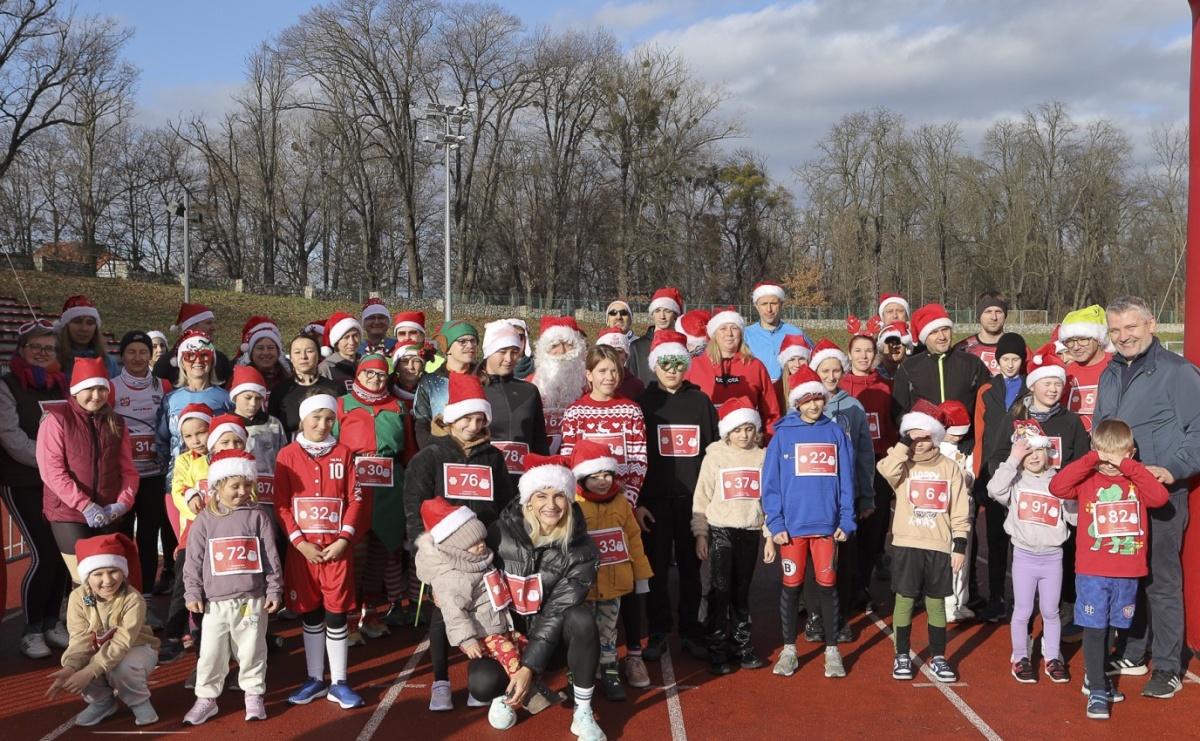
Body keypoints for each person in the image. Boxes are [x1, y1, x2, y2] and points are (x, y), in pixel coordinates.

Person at [1093, 296, 1200, 698]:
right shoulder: (1110, 372)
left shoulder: (1178, 372)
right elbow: (1101, 428)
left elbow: (1199, 430)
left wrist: (1171, 468)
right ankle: (1134, 651)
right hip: (1117, 498)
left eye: (1131, 328)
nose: (1124, 337)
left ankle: (1169, 666)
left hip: (1161, 496)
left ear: (1151, 324)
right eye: (1116, 330)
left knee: (1161, 581)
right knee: (1127, 577)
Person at [467, 454, 606, 741]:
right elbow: (470, 574)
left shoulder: (582, 550)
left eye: (559, 496)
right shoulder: (498, 532)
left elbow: (557, 612)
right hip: (506, 636)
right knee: (481, 685)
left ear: (569, 500)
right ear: (528, 499)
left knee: (581, 620)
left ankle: (582, 711)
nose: (550, 505)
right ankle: (506, 690)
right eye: (541, 495)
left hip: (552, 640)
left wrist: (528, 667)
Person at [402, 373, 514, 711]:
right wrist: (429, 563)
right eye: (466, 417)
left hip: (485, 553)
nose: (473, 425)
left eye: (480, 418)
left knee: (486, 611)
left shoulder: (493, 457)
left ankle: (482, 677)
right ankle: (440, 681)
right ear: (451, 418)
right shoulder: (429, 457)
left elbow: (505, 506)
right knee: (443, 615)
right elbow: (414, 511)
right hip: (446, 555)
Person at [1049, 419, 1170, 718]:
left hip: (1127, 571)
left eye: (1117, 457)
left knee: (1113, 628)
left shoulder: (1135, 480)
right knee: (1094, 628)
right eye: (1105, 456)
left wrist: (1130, 467)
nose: (1110, 465)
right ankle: (1098, 691)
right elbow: (1057, 486)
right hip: (1093, 570)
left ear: (1130, 452)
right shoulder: (1089, 477)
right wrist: (1092, 459)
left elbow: (1160, 497)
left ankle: (1096, 678)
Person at [274, 391, 367, 709]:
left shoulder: (344, 453)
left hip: (336, 553)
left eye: (329, 418)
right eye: (316, 417)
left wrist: (344, 539)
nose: (323, 424)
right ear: (303, 419)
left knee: (337, 614)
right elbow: (282, 504)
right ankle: (315, 678)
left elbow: (355, 499)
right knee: (310, 614)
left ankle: (339, 681)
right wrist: (300, 543)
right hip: (304, 554)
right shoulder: (286, 455)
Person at [986, 345, 1090, 624]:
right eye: (1047, 383)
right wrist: (1012, 477)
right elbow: (995, 457)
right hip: (1024, 504)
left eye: (1058, 383)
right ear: (1033, 387)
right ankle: (1022, 609)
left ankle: (1064, 606)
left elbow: (1082, 462)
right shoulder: (1016, 419)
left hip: (1058, 504)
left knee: (1065, 553)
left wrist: (1062, 480)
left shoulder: (1071, 422)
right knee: (1022, 556)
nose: (1054, 389)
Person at [633, 330, 719, 669]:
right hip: (653, 500)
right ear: (655, 366)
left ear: (686, 365)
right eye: (665, 363)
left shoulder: (700, 402)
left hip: (691, 500)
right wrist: (637, 500)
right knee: (654, 569)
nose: (672, 369)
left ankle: (690, 630)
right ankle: (657, 630)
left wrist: (710, 500)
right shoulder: (643, 403)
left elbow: (711, 451)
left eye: (678, 363)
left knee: (690, 568)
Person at [764, 365, 855, 679]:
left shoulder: (834, 433)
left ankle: (832, 650)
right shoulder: (782, 435)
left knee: (828, 588)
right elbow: (771, 484)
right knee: (791, 589)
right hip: (792, 531)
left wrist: (847, 518)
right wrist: (775, 523)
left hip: (827, 528)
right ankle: (790, 649)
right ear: (797, 402)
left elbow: (846, 480)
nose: (815, 405)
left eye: (819, 398)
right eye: (808, 399)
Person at [182, 450, 283, 724]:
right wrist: (192, 592)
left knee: (252, 650)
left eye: (247, 485)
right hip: (215, 602)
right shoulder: (204, 520)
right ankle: (206, 698)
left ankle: (253, 695)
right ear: (217, 486)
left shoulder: (257, 515)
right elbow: (193, 560)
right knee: (211, 653)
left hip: (251, 599)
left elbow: (270, 556)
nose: (242, 491)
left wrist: (274, 589)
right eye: (234, 486)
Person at [413, 498, 529, 730]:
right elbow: (453, 612)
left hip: (495, 625)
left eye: (482, 540)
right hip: (481, 633)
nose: (481, 545)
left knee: (521, 643)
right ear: (456, 547)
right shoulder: (455, 576)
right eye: (474, 543)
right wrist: (466, 640)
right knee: (510, 655)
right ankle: (521, 693)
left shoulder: (476, 560)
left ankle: (496, 689)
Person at [877, 400, 971, 683]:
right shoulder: (901, 465)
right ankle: (902, 654)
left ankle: (939, 657)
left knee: (936, 603)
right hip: (907, 543)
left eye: (924, 436)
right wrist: (903, 444)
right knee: (904, 601)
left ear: (936, 437)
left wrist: (960, 545)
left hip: (938, 546)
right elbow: (885, 470)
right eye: (912, 436)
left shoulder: (949, 468)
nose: (919, 443)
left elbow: (960, 510)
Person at [0, 319, 72, 658]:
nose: (43, 353)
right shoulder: (6, 385)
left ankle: (50, 620)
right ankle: (29, 629)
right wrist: (51, 462)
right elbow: (11, 437)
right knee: (43, 553)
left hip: (56, 483)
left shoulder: (60, 385)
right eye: (36, 347)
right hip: (23, 480)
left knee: (60, 553)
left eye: (49, 348)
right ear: (22, 349)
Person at [37, 357, 138, 578]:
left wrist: (122, 504)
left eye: (102, 389)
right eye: (89, 389)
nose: (96, 395)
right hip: (68, 512)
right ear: (75, 391)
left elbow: (128, 470)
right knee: (84, 578)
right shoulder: (57, 418)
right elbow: (51, 471)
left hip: (107, 512)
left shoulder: (117, 422)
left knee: (108, 578)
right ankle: (80, 614)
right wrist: (85, 505)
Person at [46, 533, 159, 727]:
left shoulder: (133, 599)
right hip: (99, 649)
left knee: (122, 667)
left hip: (136, 648)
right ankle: (101, 702)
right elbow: (80, 639)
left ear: (123, 572)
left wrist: (91, 670)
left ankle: (139, 701)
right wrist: (70, 668)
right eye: (98, 574)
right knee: (77, 660)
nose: (107, 580)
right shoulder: (77, 597)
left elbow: (122, 642)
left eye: (113, 571)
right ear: (87, 577)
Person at [987, 431, 1073, 684]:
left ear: (1049, 453)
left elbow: (1074, 516)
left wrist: (1077, 499)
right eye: (1028, 451)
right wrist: (1012, 460)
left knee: (1050, 610)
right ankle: (1021, 656)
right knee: (1023, 610)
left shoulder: (1059, 481)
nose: (1034, 456)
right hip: (1024, 556)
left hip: (1052, 557)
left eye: (1039, 450)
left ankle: (1053, 657)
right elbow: (993, 490)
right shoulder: (1015, 481)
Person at [571, 440, 652, 700]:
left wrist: (641, 575)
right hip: (583, 587)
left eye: (608, 474)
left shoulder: (621, 505)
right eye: (596, 477)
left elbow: (634, 540)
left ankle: (609, 672)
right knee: (581, 634)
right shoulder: (574, 506)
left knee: (607, 632)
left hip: (613, 584)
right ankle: (577, 675)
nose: (604, 481)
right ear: (583, 478)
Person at [335, 354, 407, 642]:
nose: (376, 379)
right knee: (356, 552)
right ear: (359, 376)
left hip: (389, 486)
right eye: (370, 374)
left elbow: (409, 447)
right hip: (355, 482)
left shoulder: (398, 405)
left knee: (382, 549)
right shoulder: (343, 404)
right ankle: (350, 617)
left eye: (381, 375)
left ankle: (372, 612)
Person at [692, 397, 767, 675]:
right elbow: (702, 497)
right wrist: (700, 534)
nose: (744, 435)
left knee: (741, 592)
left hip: (749, 531)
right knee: (719, 590)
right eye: (737, 430)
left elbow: (769, 499)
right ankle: (717, 647)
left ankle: (742, 646)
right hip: (719, 530)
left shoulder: (762, 457)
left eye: (749, 429)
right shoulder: (715, 456)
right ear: (727, 432)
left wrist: (769, 535)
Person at [156, 330, 232, 594]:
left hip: (218, 484)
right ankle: (190, 613)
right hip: (178, 485)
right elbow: (162, 440)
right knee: (188, 550)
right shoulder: (170, 399)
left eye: (204, 355)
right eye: (190, 355)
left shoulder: (224, 397)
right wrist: (171, 477)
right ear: (181, 360)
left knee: (217, 548)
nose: (197, 361)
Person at [810, 338, 875, 635]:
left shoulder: (853, 406)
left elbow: (865, 455)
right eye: (825, 370)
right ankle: (814, 614)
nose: (831, 376)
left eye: (836, 370)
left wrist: (866, 496)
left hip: (844, 498)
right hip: (812, 498)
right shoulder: (803, 405)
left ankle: (841, 615)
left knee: (844, 557)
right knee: (814, 555)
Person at [111, 331, 172, 619]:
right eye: (131, 352)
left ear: (151, 355)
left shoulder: (165, 385)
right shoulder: (109, 388)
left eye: (143, 352)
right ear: (122, 356)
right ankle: (122, 598)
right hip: (122, 479)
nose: (137, 358)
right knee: (122, 538)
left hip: (154, 476)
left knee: (148, 538)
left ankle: (145, 599)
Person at [839, 318, 897, 612]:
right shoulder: (839, 386)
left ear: (875, 355)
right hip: (845, 464)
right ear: (849, 354)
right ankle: (842, 588)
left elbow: (893, 427)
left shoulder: (887, 387)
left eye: (868, 351)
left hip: (878, 464)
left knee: (872, 529)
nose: (863, 355)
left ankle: (861, 588)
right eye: (858, 350)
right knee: (847, 529)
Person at [971, 332, 1027, 618]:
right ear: (997, 360)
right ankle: (996, 597)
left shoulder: (1033, 389)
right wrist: (980, 475)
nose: (1009, 364)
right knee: (995, 539)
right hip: (994, 475)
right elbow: (980, 437)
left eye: (1015, 359)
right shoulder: (986, 390)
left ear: (1023, 360)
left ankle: (1023, 599)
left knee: (1023, 539)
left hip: (1026, 476)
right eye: (1005, 358)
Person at [891, 303, 990, 435]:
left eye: (945, 329)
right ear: (925, 337)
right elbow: (898, 411)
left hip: (965, 444)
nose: (942, 337)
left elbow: (988, 404)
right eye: (934, 332)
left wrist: (973, 437)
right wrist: (916, 434)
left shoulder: (971, 363)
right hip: (926, 444)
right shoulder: (909, 367)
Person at [684, 306, 781, 434]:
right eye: (723, 328)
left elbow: (771, 413)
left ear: (740, 333)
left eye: (734, 328)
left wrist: (768, 445)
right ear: (714, 334)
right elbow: (683, 407)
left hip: (745, 443)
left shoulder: (755, 366)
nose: (729, 334)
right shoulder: (695, 365)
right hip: (707, 444)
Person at [480, 321, 549, 491]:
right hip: (484, 480)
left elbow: (539, 440)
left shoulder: (529, 391)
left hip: (523, 483)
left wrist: (544, 476)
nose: (509, 359)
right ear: (488, 352)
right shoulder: (474, 388)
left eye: (514, 352)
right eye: (502, 352)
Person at [938, 400, 977, 624]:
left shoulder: (965, 449)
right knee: (947, 558)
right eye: (954, 433)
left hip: (964, 509)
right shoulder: (934, 447)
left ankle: (961, 601)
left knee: (963, 558)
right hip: (943, 510)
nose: (958, 437)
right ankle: (946, 602)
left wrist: (967, 477)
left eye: (962, 433)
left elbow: (971, 472)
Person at [413, 319, 479, 449]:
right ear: (447, 348)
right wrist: (431, 453)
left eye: (473, 341)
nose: (470, 345)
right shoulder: (430, 382)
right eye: (462, 341)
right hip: (440, 452)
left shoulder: (484, 379)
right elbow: (422, 424)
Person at [528, 316, 588, 454]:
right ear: (544, 351)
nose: (561, 351)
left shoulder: (589, 385)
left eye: (568, 344)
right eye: (554, 345)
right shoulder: (530, 385)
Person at [269, 332, 341, 438]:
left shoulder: (334, 389)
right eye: (297, 352)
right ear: (291, 358)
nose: (303, 356)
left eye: (309, 351)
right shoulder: (281, 390)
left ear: (318, 355)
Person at [743, 282, 812, 382]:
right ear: (756, 306)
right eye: (764, 304)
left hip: (788, 391)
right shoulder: (745, 335)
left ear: (781, 305)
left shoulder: (796, 333)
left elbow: (814, 362)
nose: (769, 309)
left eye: (773, 303)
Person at [1059, 305, 1112, 432]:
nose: (1076, 347)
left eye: (1083, 339)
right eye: (1070, 341)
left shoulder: (1116, 368)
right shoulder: (1064, 373)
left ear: (1099, 339)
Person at [152, 303, 233, 382]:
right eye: (208, 323)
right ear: (192, 326)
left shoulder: (221, 360)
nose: (213, 328)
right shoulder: (166, 363)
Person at [54, 295, 118, 379]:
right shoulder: (53, 359)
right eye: (77, 322)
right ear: (66, 326)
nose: (84, 328)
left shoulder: (109, 362)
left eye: (90, 323)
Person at [629, 287, 683, 386]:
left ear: (675, 314)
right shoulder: (637, 346)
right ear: (652, 313)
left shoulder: (683, 344)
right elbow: (630, 382)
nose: (662, 316)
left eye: (667, 311)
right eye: (657, 310)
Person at [954, 290, 1010, 376]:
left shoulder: (1020, 349)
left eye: (998, 312)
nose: (994, 317)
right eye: (988, 312)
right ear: (979, 315)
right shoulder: (961, 351)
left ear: (1005, 315)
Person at [236, 316, 289, 397]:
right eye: (260, 348)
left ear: (278, 352)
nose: (266, 352)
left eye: (271, 348)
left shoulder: (290, 378)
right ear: (251, 352)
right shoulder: (238, 379)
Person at [317, 311, 363, 392]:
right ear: (336, 341)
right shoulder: (326, 369)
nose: (352, 342)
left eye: (355, 335)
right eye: (346, 337)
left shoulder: (366, 363)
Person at [596, 328, 646, 400]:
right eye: (610, 352)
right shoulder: (591, 381)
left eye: (619, 352)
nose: (615, 355)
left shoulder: (636, 385)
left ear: (626, 356)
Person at [773, 333, 812, 411]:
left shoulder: (815, 386)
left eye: (801, 359)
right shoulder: (777, 389)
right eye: (792, 359)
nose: (797, 364)